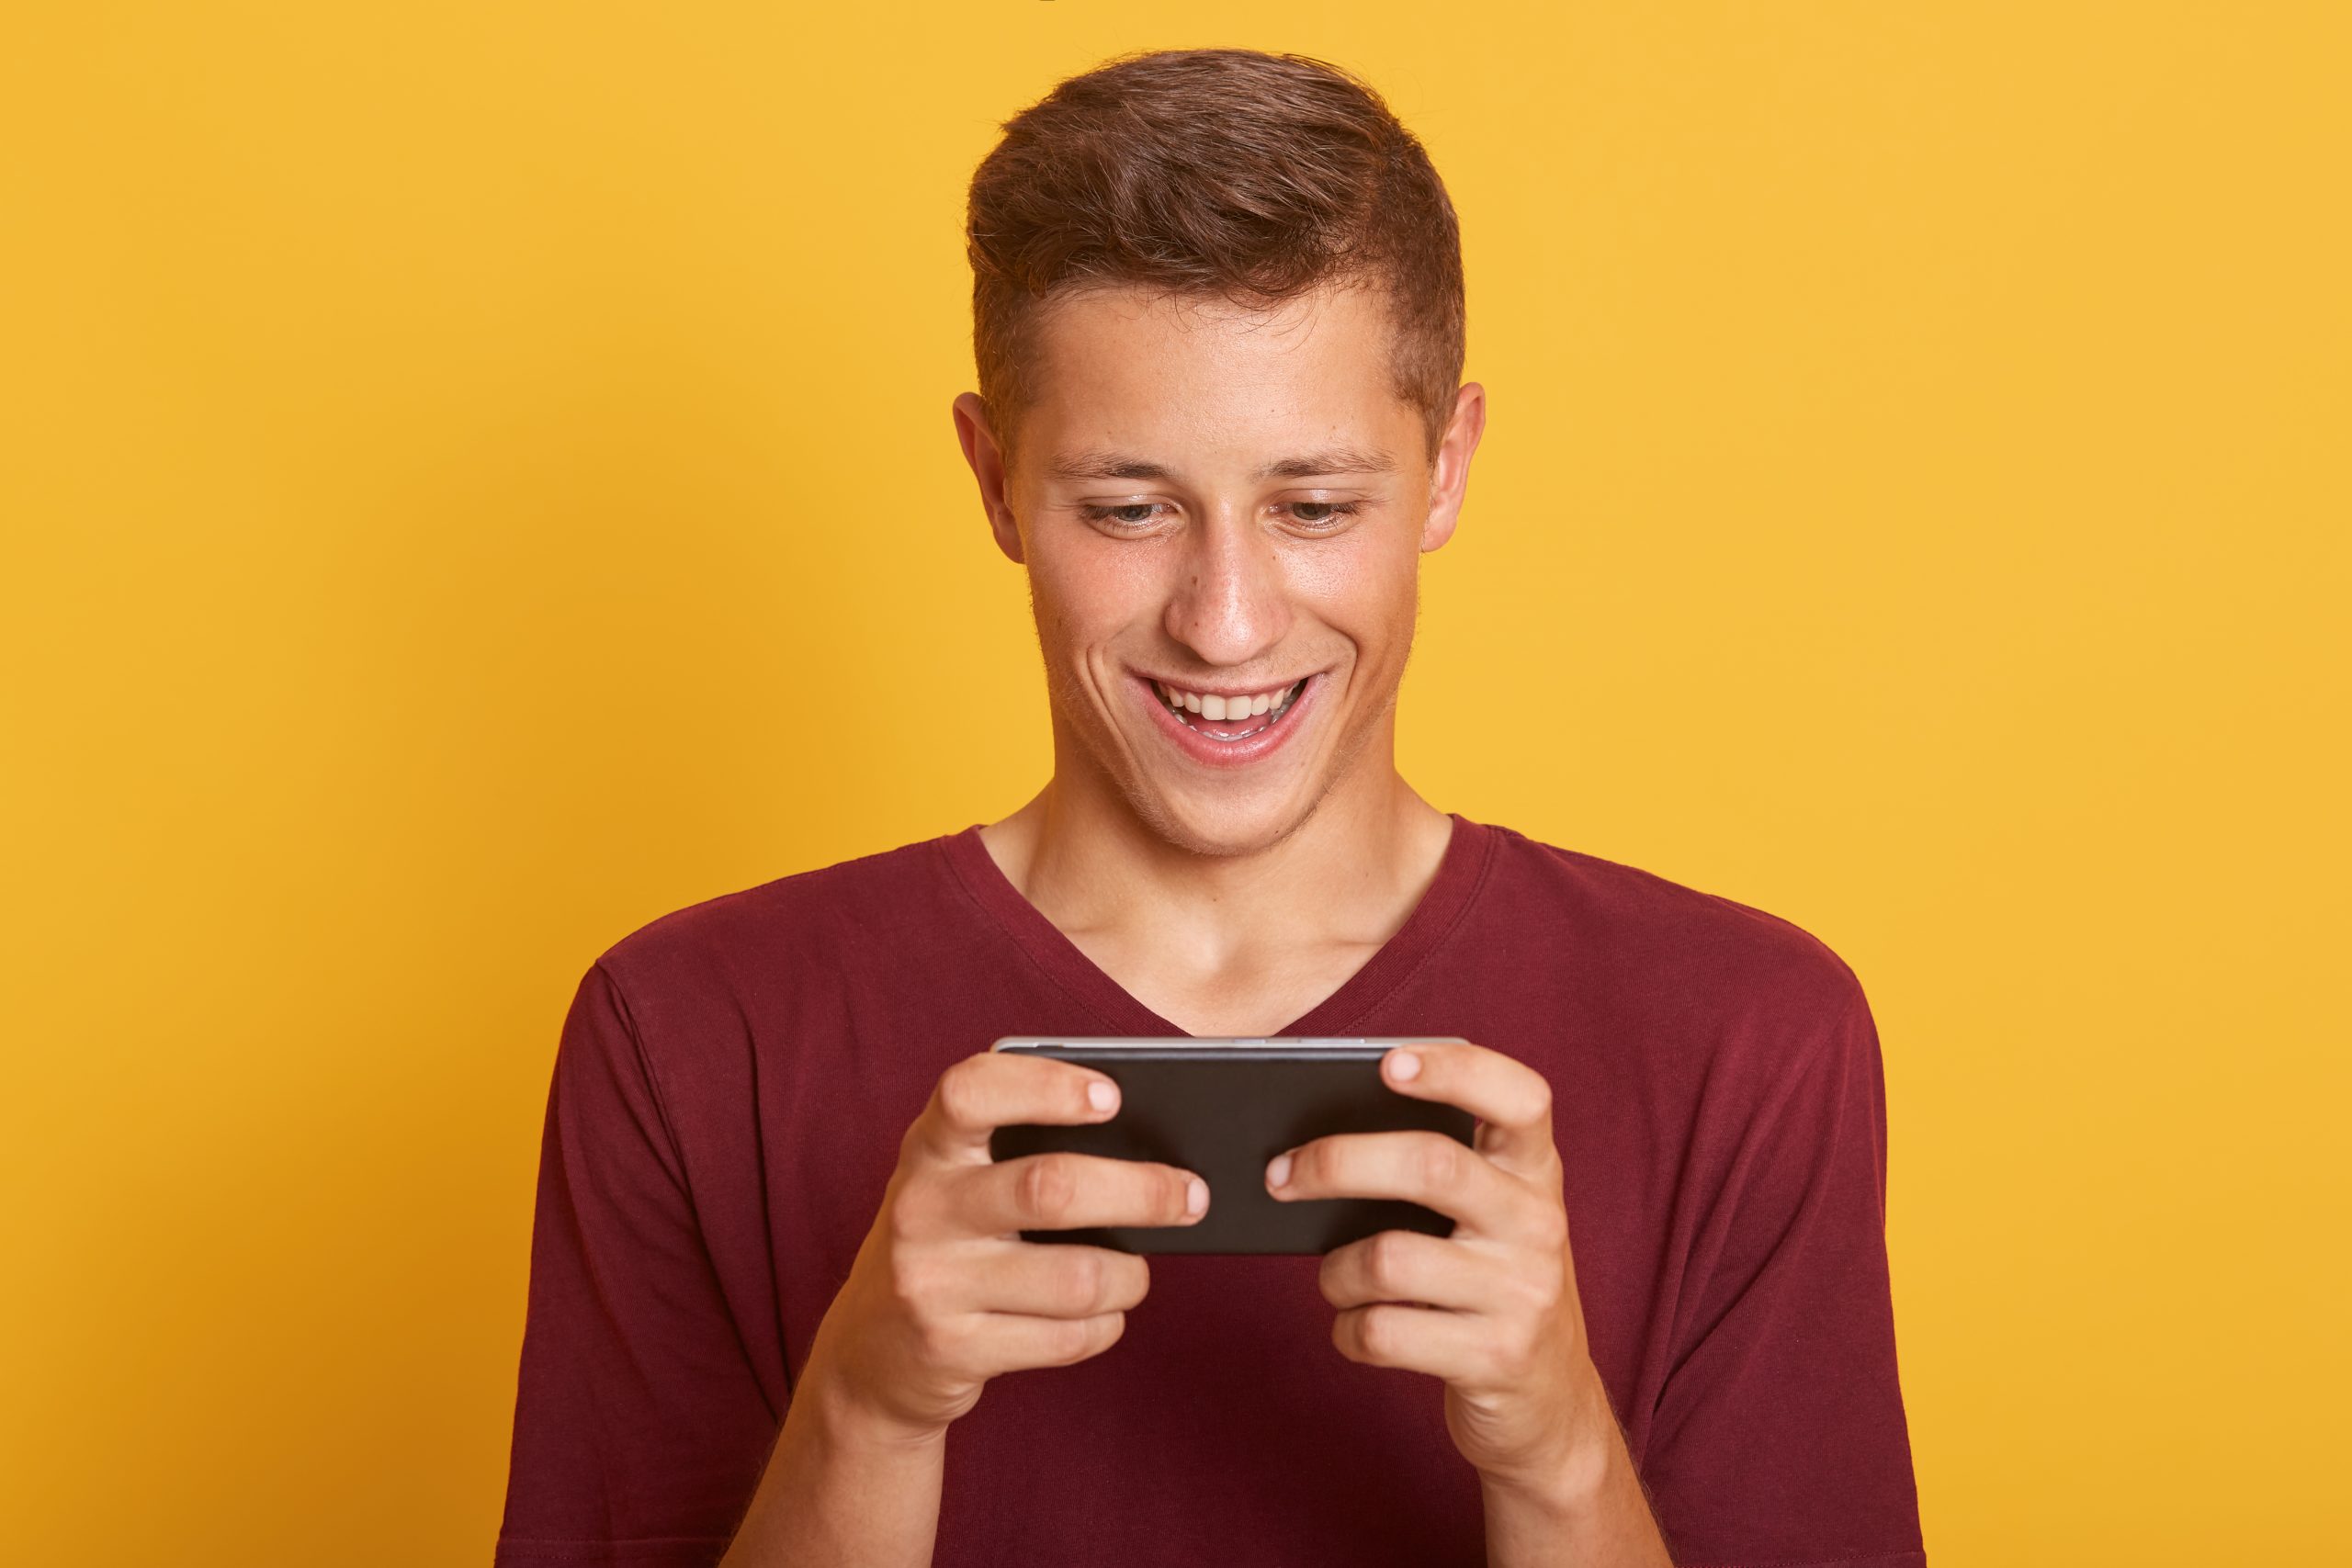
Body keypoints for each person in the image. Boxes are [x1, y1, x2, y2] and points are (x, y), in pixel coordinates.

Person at [492, 46, 1925, 1568]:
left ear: (1445, 473)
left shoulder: (1749, 1040)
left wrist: (1561, 1451)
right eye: (1127, 510)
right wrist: (870, 1408)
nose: (1227, 623)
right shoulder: (687, 1033)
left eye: (1313, 507)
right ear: (994, 481)